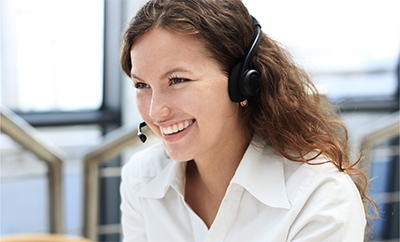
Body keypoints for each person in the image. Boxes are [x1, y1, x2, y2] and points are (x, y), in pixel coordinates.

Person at [119, 0, 375, 241]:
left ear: (243, 82)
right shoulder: (142, 177)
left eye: (177, 80)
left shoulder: (320, 196)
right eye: (142, 85)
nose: (155, 111)